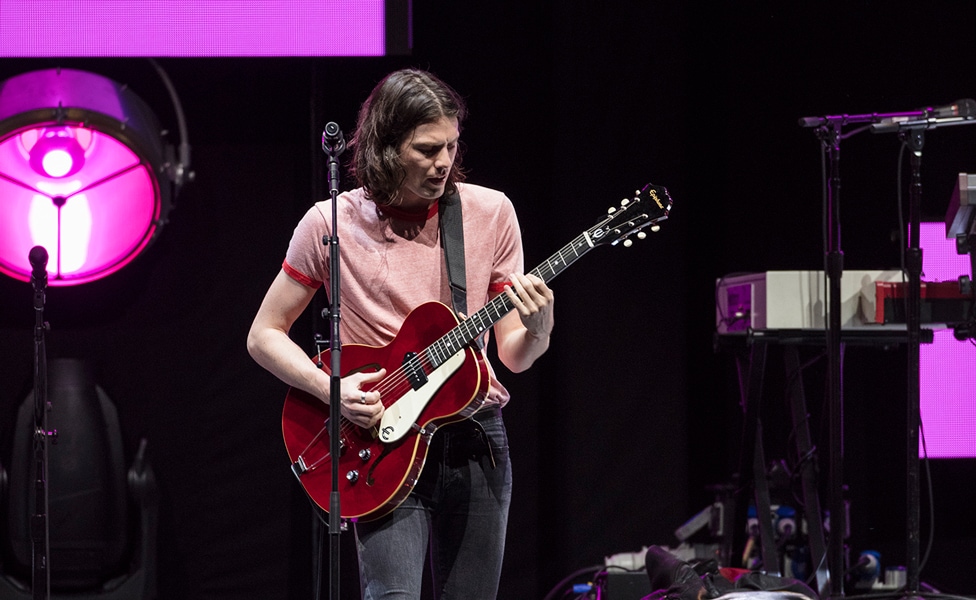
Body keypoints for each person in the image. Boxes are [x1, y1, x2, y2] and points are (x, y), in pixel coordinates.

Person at [246, 68, 554, 599]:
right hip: (381, 442)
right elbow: (264, 334)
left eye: (453, 147)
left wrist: (539, 327)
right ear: (388, 147)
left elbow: (514, 356)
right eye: (428, 149)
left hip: (474, 436)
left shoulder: (491, 212)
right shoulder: (329, 223)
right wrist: (333, 391)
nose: (445, 163)